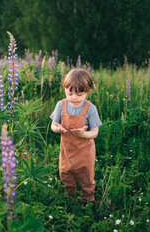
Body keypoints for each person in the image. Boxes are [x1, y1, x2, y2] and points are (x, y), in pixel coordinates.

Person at [50, 68, 102, 203]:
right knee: (65, 172)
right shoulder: (61, 105)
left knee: (86, 176)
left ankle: (88, 200)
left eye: (79, 95)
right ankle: (69, 198)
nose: (74, 98)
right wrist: (58, 129)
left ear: (87, 91)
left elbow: (95, 133)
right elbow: (53, 125)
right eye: (70, 93)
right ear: (65, 90)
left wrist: (83, 134)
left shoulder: (90, 108)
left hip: (85, 152)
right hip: (67, 150)